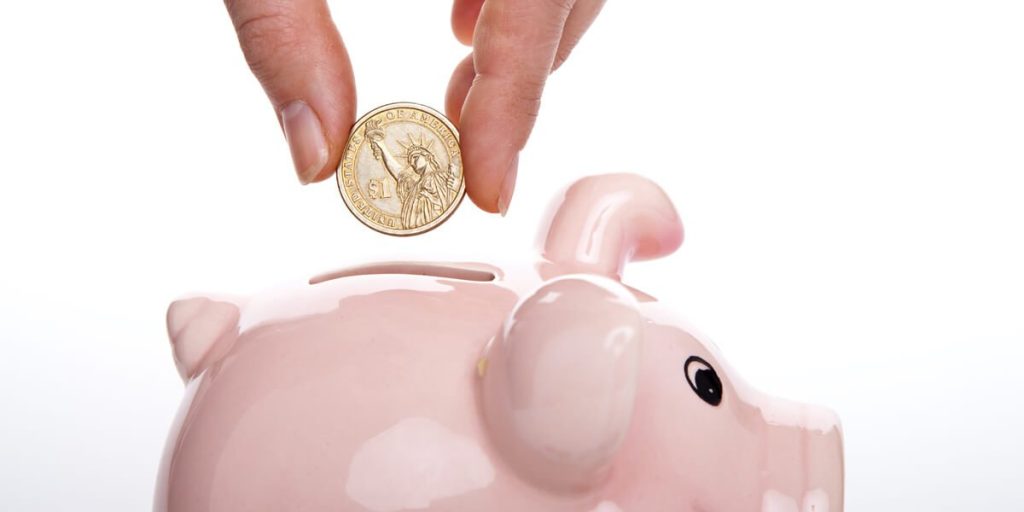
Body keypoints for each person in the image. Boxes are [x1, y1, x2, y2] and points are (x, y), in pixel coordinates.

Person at [222, 0, 605, 215]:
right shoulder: (408, 179)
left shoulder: (431, 184)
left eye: (421, 161)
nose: (418, 165)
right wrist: (375, 146)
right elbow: (392, 164)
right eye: (418, 161)